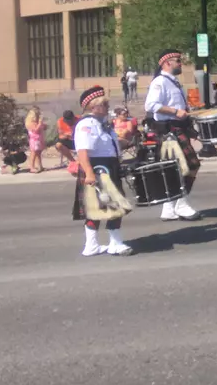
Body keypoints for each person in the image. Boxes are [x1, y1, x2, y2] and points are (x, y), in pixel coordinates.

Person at [72, 86, 133, 257]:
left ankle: (91, 246)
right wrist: (90, 173)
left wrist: (127, 142)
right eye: (104, 104)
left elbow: (107, 146)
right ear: (93, 106)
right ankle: (115, 243)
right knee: (112, 205)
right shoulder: (86, 125)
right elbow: (82, 151)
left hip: (109, 166)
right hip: (99, 169)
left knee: (97, 207)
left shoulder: (102, 124)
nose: (108, 107)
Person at [144, 49, 202, 221]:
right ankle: (181, 204)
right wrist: (175, 111)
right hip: (169, 131)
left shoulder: (174, 82)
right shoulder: (160, 82)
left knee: (173, 169)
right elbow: (151, 105)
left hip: (178, 128)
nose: (180, 63)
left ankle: (169, 207)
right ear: (167, 62)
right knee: (191, 165)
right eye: (177, 60)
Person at [24, 106, 46, 174]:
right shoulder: (30, 123)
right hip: (34, 140)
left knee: (38, 153)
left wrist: (43, 125)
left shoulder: (36, 122)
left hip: (39, 139)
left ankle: (40, 166)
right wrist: (39, 124)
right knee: (33, 153)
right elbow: (35, 130)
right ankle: (32, 167)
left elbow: (43, 128)